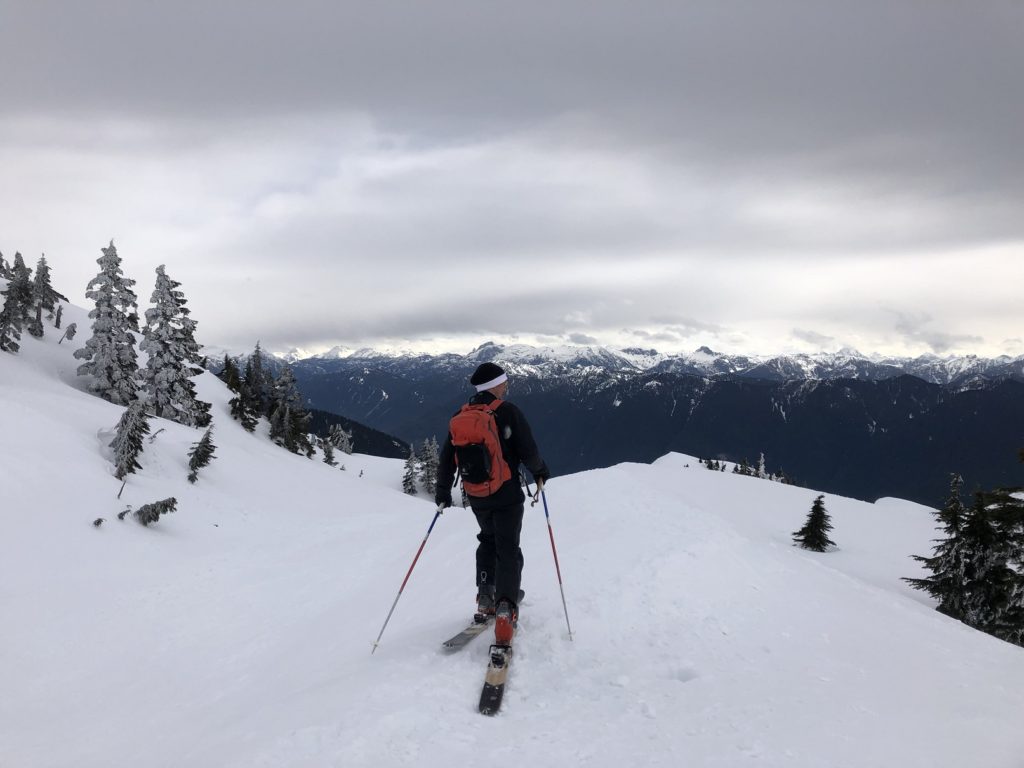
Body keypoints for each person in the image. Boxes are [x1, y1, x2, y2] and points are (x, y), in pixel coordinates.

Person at [435, 362, 550, 645]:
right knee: (508, 547)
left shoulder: (461, 415)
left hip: (476, 494)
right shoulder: (507, 411)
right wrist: (540, 472)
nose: (506, 386)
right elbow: (528, 449)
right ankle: (505, 608)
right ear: (494, 385)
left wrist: (442, 491)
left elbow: (447, 457)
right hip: (506, 493)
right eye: (504, 382)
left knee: (487, 540)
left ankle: (486, 596)